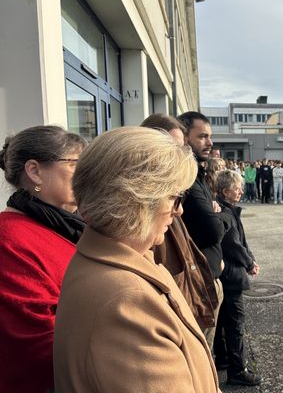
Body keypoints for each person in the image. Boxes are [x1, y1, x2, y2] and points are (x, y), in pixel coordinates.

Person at [54, 127, 219, 392]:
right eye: (175, 197)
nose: (179, 210)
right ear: (136, 202)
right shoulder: (127, 303)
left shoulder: (113, 260)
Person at [0, 125, 86, 393]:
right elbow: (38, 340)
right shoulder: (9, 238)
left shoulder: (62, 225)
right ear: (35, 171)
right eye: (74, 165)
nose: (85, 176)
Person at [141, 114, 219, 346]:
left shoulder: (180, 186)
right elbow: (211, 229)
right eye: (172, 148)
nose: (179, 210)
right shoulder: (144, 206)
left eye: (181, 147)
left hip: (191, 294)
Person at [177, 111, 230, 352]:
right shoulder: (187, 180)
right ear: (185, 138)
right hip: (198, 283)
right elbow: (213, 230)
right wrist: (223, 214)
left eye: (210, 137)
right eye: (203, 137)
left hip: (205, 277)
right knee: (201, 351)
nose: (210, 143)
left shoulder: (197, 174)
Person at [214, 170, 262, 386]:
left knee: (224, 320)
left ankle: (224, 359)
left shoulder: (227, 210)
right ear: (225, 191)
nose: (241, 191)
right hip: (231, 276)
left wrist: (250, 258)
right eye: (237, 188)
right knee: (235, 324)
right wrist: (250, 263)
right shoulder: (226, 213)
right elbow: (234, 244)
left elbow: (241, 242)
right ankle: (237, 370)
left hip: (227, 273)